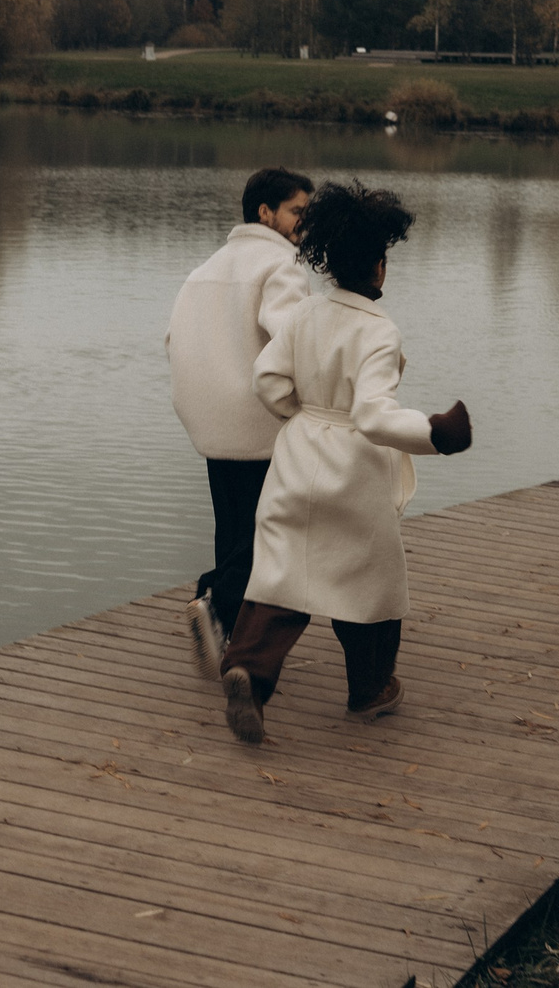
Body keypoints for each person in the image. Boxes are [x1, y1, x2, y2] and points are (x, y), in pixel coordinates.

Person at [217, 180, 471, 745]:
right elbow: (376, 417)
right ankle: (370, 689)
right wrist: (436, 432)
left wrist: (299, 413)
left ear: (325, 260)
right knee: (370, 581)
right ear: (379, 268)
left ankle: (250, 673)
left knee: (282, 574)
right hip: (353, 470)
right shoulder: (379, 332)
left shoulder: (305, 314)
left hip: (298, 452)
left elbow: (268, 378)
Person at [165, 166, 314, 677]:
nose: (303, 223)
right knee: (268, 537)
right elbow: (294, 344)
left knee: (233, 530)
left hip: (210, 423)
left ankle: (221, 629)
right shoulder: (282, 267)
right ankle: (215, 602)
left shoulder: (206, 267)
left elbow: (172, 342)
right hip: (261, 423)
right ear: (264, 212)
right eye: (297, 211)